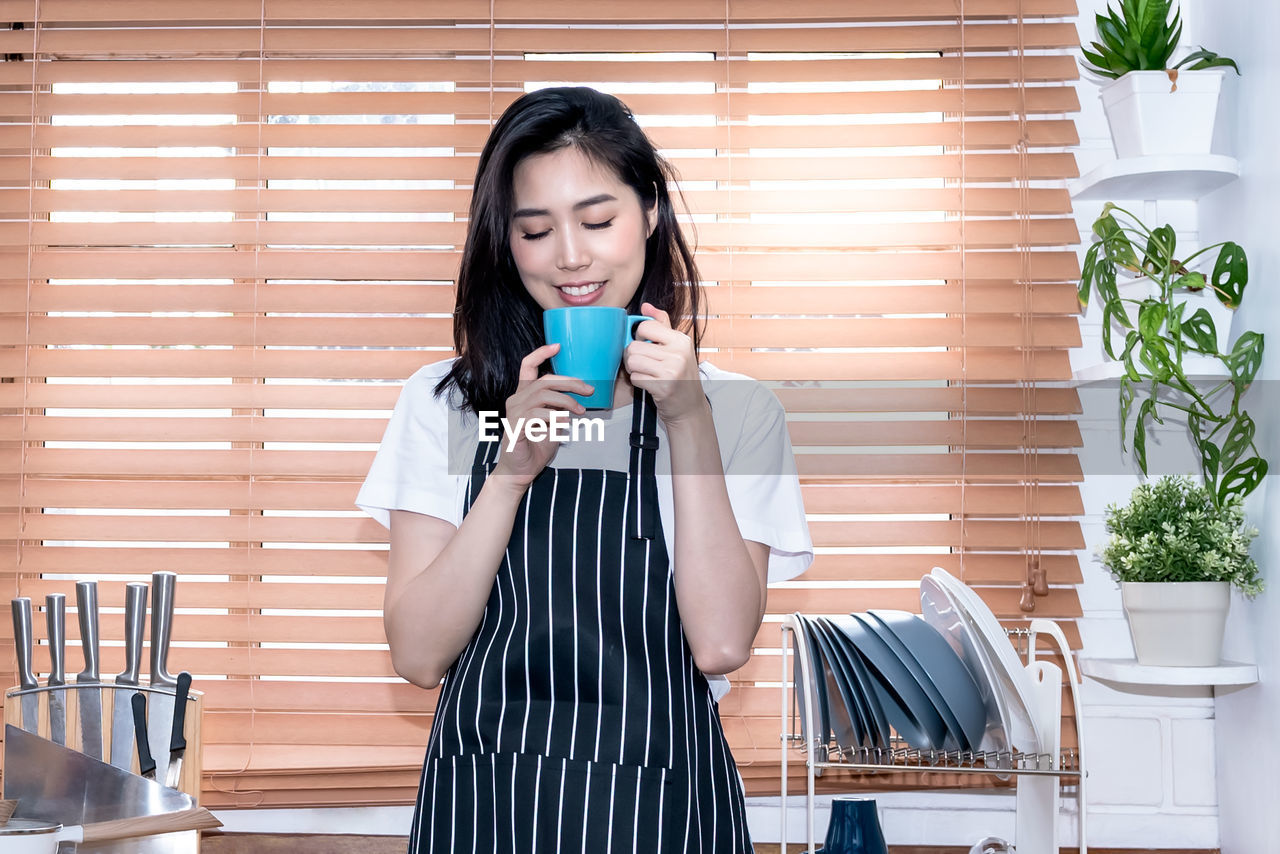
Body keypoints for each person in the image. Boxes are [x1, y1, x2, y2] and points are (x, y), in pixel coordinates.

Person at [357, 86, 813, 853]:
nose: (571, 255)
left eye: (598, 220)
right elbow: (418, 654)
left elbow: (722, 644)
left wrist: (688, 419)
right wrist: (509, 474)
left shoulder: (737, 412)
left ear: (650, 213)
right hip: (486, 806)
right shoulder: (447, 403)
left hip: (660, 813)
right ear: (506, 242)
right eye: (535, 230)